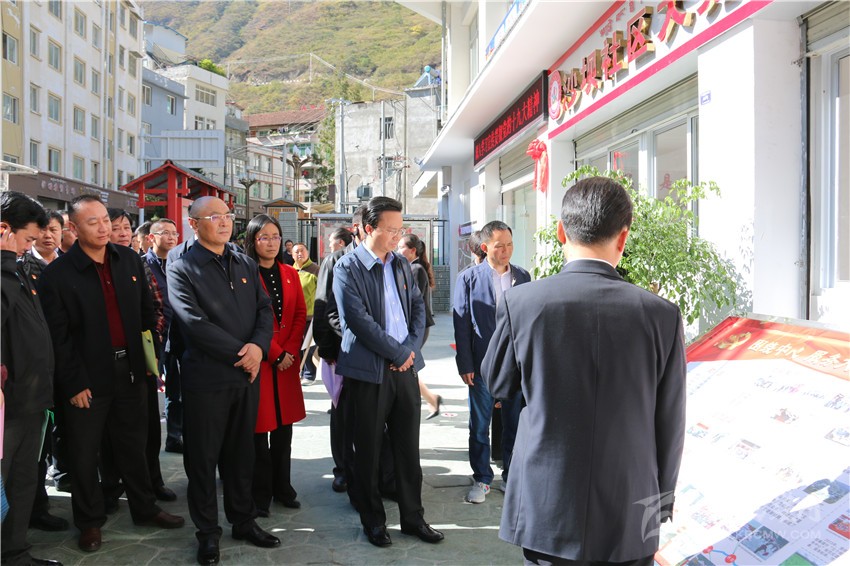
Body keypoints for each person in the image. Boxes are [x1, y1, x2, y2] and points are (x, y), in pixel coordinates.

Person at [482, 177, 687, 566]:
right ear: (623, 237)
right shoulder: (661, 315)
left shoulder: (522, 302)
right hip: (631, 507)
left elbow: (498, 382)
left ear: (561, 232)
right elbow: (670, 420)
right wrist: (660, 504)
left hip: (546, 503)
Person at [38, 195, 184, 554]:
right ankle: (89, 521)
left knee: (133, 445)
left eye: (106, 220)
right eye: (94, 222)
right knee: (84, 453)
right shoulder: (58, 275)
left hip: (131, 370)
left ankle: (144, 508)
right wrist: (73, 383)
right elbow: (58, 337)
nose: (104, 228)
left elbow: (148, 313)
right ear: (74, 228)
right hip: (86, 380)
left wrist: (150, 360)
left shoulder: (128, 260)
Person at [167, 197, 279, 565]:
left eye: (228, 215)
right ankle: (207, 533)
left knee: (242, 454)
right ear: (194, 223)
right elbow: (193, 323)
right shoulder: (182, 267)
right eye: (214, 216)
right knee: (203, 459)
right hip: (207, 378)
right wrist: (244, 354)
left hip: (246, 376)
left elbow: (264, 310)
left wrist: (258, 348)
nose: (224, 222)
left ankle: (243, 520)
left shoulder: (243, 261)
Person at [333, 196, 443, 548]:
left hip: (404, 369)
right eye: (391, 229)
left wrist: (408, 351)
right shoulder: (347, 267)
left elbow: (417, 310)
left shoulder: (401, 264)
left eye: (401, 229)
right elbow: (357, 320)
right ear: (369, 228)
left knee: (408, 450)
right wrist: (396, 352)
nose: (398, 235)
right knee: (368, 450)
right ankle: (373, 521)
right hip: (369, 372)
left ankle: (413, 518)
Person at [0, 191, 64, 566]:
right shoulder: (7, 268)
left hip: (33, 397)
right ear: (3, 229)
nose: (30, 247)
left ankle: (14, 552)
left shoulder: (20, 267)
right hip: (7, 405)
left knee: (23, 481)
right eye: (26, 239)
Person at [453, 220, 530, 504]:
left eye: (509, 245)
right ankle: (482, 478)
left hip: (515, 364)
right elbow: (461, 323)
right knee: (479, 425)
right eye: (499, 246)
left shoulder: (522, 276)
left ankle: (510, 475)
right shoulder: (468, 278)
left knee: (514, 423)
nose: (506, 251)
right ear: (485, 247)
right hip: (482, 363)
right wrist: (465, 364)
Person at [243, 215, 307, 515]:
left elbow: (299, 315)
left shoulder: (290, 273)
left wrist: (289, 351)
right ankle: (260, 493)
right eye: (264, 237)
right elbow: (247, 320)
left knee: (284, 430)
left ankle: (283, 487)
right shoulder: (244, 273)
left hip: (287, 364)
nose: (271, 243)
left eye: (276, 236)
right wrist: (276, 353)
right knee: (259, 431)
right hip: (260, 359)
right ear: (252, 241)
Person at [313, 206, 369, 496]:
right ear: (357, 229)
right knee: (344, 415)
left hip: (376, 357)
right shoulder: (336, 260)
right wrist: (327, 349)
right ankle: (343, 470)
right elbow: (322, 306)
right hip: (343, 353)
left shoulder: (386, 261)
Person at [144, 219, 183, 454]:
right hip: (155, 336)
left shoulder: (180, 264)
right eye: (165, 233)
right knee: (150, 389)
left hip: (177, 334)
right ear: (152, 237)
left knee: (176, 389)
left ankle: (175, 436)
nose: (171, 237)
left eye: (174, 233)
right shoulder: (142, 265)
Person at [397, 233, 441, 420]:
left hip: (417, 326)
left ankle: (430, 399)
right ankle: (431, 399)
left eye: (401, 247)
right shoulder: (412, 267)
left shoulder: (416, 269)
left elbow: (412, 302)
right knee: (407, 366)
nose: (398, 250)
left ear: (412, 250)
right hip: (414, 325)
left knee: (407, 365)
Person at [292, 242, 319, 385]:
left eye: (302, 250)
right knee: (297, 346)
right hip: (294, 316)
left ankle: (309, 374)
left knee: (309, 346)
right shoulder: (290, 270)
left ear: (308, 252)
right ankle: (300, 371)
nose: (299, 254)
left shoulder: (315, 270)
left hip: (311, 316)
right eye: (296, 252)